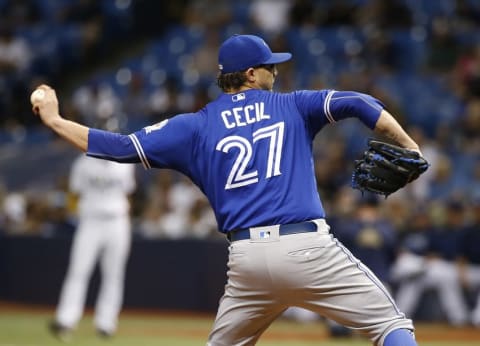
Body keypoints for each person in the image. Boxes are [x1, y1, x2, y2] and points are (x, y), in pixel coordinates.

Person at [33, 34, 423, 346]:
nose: (275, 72)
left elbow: (118, 148)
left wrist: (55, 119)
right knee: (390, 324)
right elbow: (358, 102)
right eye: (269, 66)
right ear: (251, 74)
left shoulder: (194, 126)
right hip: (307, 248)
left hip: (247, 261)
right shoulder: (293, 105)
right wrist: (408, 146)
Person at [49, 152, 136, 340]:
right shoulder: (82, 162)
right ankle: (66, 319)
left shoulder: (125, 161)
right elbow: (75, 191)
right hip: (90, 220)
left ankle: (106, 323)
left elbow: (128, 192)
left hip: (117, 220)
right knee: (78, 270)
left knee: (114, 274)